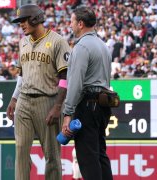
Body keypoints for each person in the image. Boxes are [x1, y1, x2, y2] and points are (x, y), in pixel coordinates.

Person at [6, 4, 71, 180]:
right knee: (20, 151)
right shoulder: (23, 42)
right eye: (19, 21)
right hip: (24, 101)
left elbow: (65, 76)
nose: (21, 24)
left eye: (23, 20)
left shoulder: (58, 41)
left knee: (51, 155)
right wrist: (14, 98)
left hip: (47, 101)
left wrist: (58, 106)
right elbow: (22, 74)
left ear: (35, 18)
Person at [61, 6, 113, 180]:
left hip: (88, 105)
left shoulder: (81, 46)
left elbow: (75, 84)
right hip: (103, 104)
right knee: (100, 155)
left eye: (72, 21)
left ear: (80, 23)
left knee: (88, 159)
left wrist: (68, 113)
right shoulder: (103, 45)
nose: (70, 25)